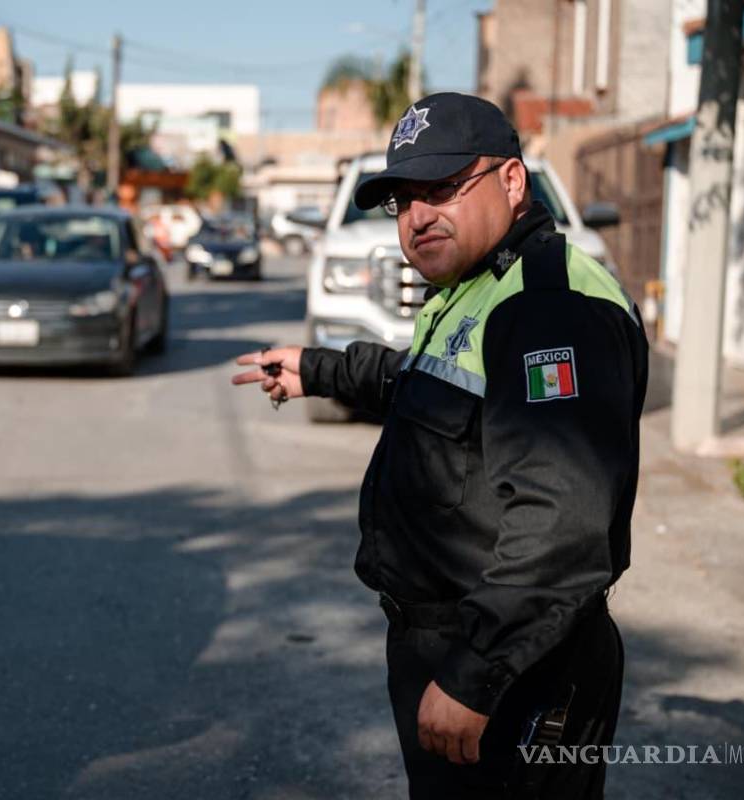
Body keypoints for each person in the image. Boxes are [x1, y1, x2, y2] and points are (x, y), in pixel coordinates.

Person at [231, 93, 648, 799]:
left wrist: (472, 677)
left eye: (443, 189)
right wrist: (321, 369)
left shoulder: (550, 308)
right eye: (404, 200)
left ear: (512, 182)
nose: (419, 216)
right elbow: (428, 387)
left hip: (516, 666)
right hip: (456, 644)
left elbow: (562, 525)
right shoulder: (478, 284)